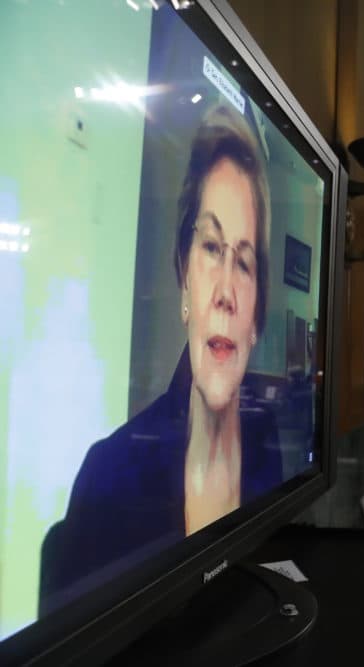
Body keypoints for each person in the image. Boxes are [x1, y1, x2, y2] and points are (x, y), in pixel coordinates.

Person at [41, 104, 281, 609]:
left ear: (257, 314)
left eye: (243, 262)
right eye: (212, 248)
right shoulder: (108, 479)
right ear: (184, 281)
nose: (224, 292)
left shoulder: (267, 443)